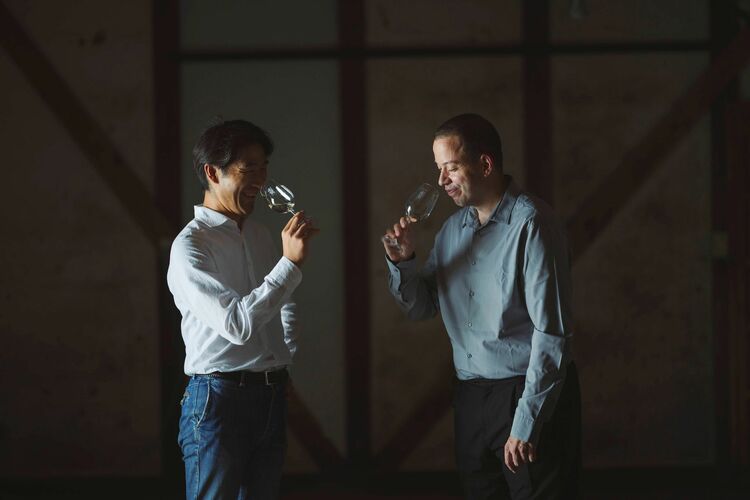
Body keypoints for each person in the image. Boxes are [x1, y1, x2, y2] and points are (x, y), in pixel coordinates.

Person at [383, 114, 581, 499]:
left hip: (526, 393)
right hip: (471, 398)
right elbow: (421, 308)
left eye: (451, 168)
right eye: (439, 169)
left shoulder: (533, 224)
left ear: (485, 165)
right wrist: (402, 262)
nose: (441, 180)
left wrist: (526, 422)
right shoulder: (451, 231)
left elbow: (553, 334)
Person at [167, 119, 318, 499]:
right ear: (211, 173)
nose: (260, 180)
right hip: (218, 400)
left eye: (264, 167)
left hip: (270, 396)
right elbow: (236, 325)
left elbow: (285, 304)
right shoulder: (190, 246)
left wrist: (281, 362)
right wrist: (290, 264)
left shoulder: (260, 234)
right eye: (248, 168)